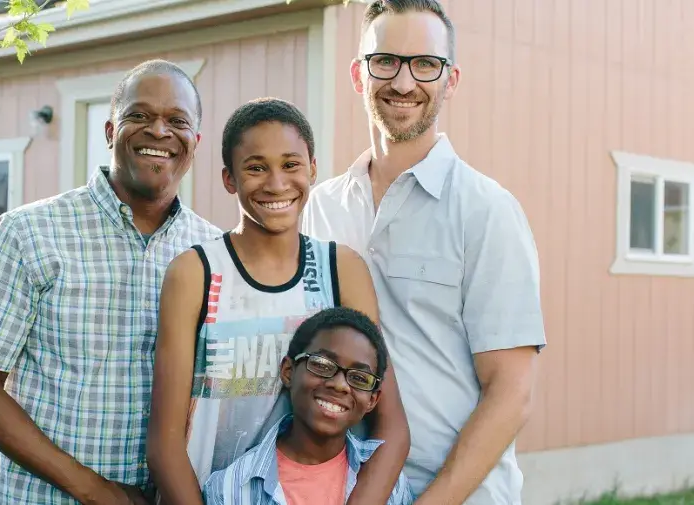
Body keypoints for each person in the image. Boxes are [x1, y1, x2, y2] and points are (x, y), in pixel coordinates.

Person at [0, 59, 222, 505]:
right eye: (139, 116)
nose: (159, 132)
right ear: (111, 131)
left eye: (177, 121)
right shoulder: (28, 233)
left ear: (196, 142)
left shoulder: (214, 251)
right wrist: (96, 491)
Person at [300, 2, 548, 504]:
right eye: (385, 60)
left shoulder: (487, 212)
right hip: (341, 488)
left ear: (450, 79)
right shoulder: (321, 206)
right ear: (358, 73)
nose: (404, 82)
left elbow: (511, 393)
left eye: (425, 64)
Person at [149, 97, 410, 505]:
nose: (276, 183)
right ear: (229, 179)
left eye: (291, 164)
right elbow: (164, 446)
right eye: (256, 167)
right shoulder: (195, 272)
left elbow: (391, 427)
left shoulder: (339, 268)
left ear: (313, 169)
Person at [201, 307, 415, 505]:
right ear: (288, 371)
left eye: (359, 378)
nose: (340, 385)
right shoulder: (231, 489)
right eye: (322, 365)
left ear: (372, 400)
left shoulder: (391, 487)